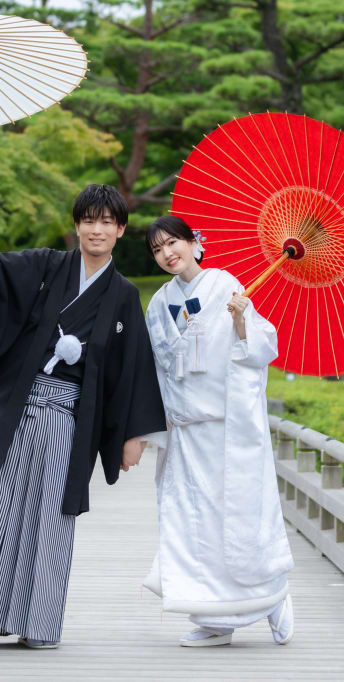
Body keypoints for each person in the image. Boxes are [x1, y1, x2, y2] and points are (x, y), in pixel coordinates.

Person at [0, 185, 167, 648]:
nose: (97, 228)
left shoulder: (123, 295)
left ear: (121, 230)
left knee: (47, 515)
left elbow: (133, 367)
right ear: (77, 225)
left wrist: (134, 436)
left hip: (68, 418)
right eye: (89, 219)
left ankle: (37, 622)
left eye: (107, 221)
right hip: (14, 406)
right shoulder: (46, 266)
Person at [140, 215, 294, 647]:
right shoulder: (157, 304)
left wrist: (243, 320)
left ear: (195, 243)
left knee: (240, 519)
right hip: (185, 432)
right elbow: (156, 369)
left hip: (227, 430)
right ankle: (215, 618)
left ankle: (273, 596)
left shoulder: (227, 284)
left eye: (174, 243)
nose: (168, 253)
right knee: (196, 526)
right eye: (157, 249)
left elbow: (262, 347)